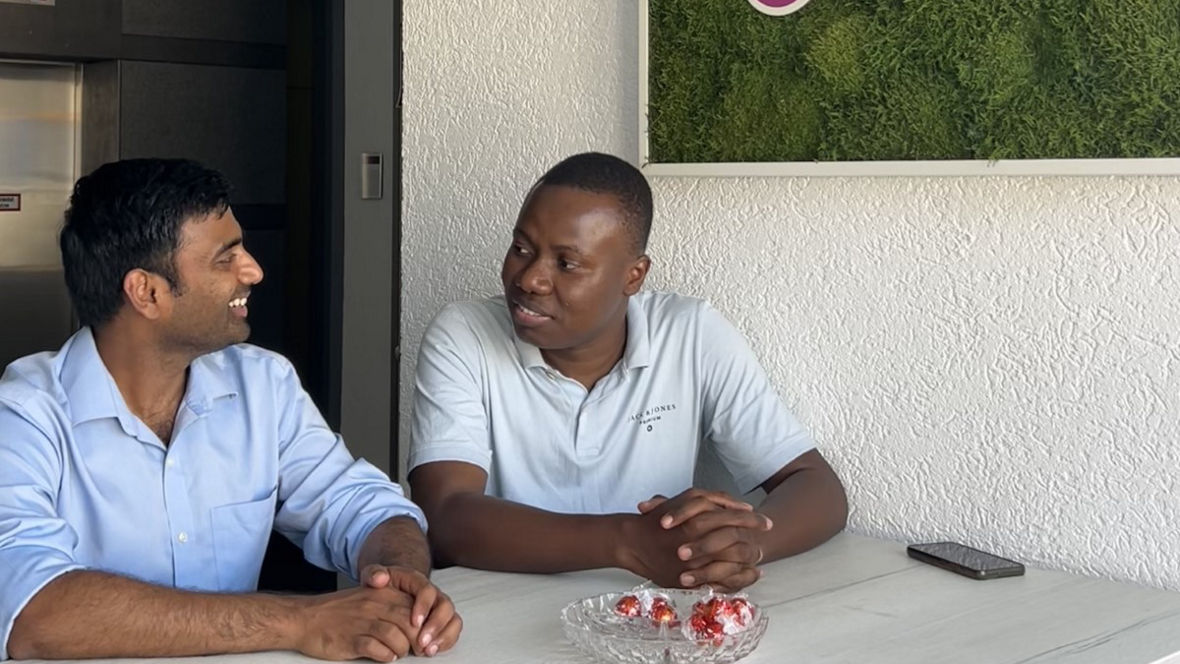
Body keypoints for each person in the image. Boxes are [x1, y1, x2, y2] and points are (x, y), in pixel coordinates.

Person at [0, 159, 461, 662]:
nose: (254, 271)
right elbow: (32, 610)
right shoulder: (24, 415)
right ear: (147, 292)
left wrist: (400, 577)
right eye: (226, 258)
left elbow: (362, 505)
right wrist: (298, 620)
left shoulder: (263, 384)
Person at [408, 152, 848, 592]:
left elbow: (818, 488)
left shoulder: (690, 334)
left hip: (651, 622)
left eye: (566, 264)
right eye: (522, 249)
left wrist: (739, 544)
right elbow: (445, 516)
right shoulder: (464, 335)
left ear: (633, 276)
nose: (530, 280)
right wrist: (627, 542)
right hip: (498, 614)